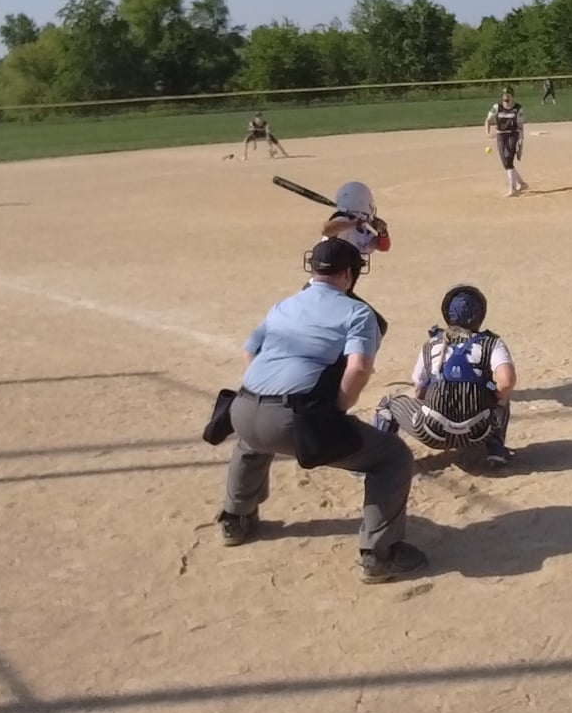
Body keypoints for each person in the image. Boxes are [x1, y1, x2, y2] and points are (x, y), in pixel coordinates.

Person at [217, 238, 427, 583]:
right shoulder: (358, 312)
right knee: (392, 456)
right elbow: (358, 367)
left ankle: (234, 519)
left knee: (253, 439)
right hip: (292, 420)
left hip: (241, 409)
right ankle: (381, 554)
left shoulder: (283, 305)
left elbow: (248, 351)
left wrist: (266, 388)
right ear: (348, 274)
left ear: (312, 269)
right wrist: (337, 408)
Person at [373, 285, 518, 469]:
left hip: (432, 432)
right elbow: (507, 382)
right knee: (502, 395)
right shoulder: (492, 343)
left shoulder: (432, 344)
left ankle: (375, 461)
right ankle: (496, 449)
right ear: (480, 315)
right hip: (479, 432)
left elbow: (419, 392)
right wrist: (490, 397)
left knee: (388, 404)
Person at [318, 181, 391, 334]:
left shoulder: (361, 229)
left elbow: (383, 246)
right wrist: (353, 222)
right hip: (325, 290)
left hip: (342, 292)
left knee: (377, 326)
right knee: (377, 326)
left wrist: (383, 232)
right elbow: (327, 229)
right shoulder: (342, 220)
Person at [485, 87, 527, 197]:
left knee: (508, 158)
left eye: (508, 95)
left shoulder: (518, 108)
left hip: (512, 134)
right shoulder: (497, 107)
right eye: (504, 95)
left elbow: (520, 126)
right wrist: (487, 133)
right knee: (505, 162)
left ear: (512, 96)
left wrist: (521, 143)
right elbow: (488, 120)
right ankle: (521, 184)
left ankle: (512, 190)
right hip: (500, 135)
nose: (506, 98)